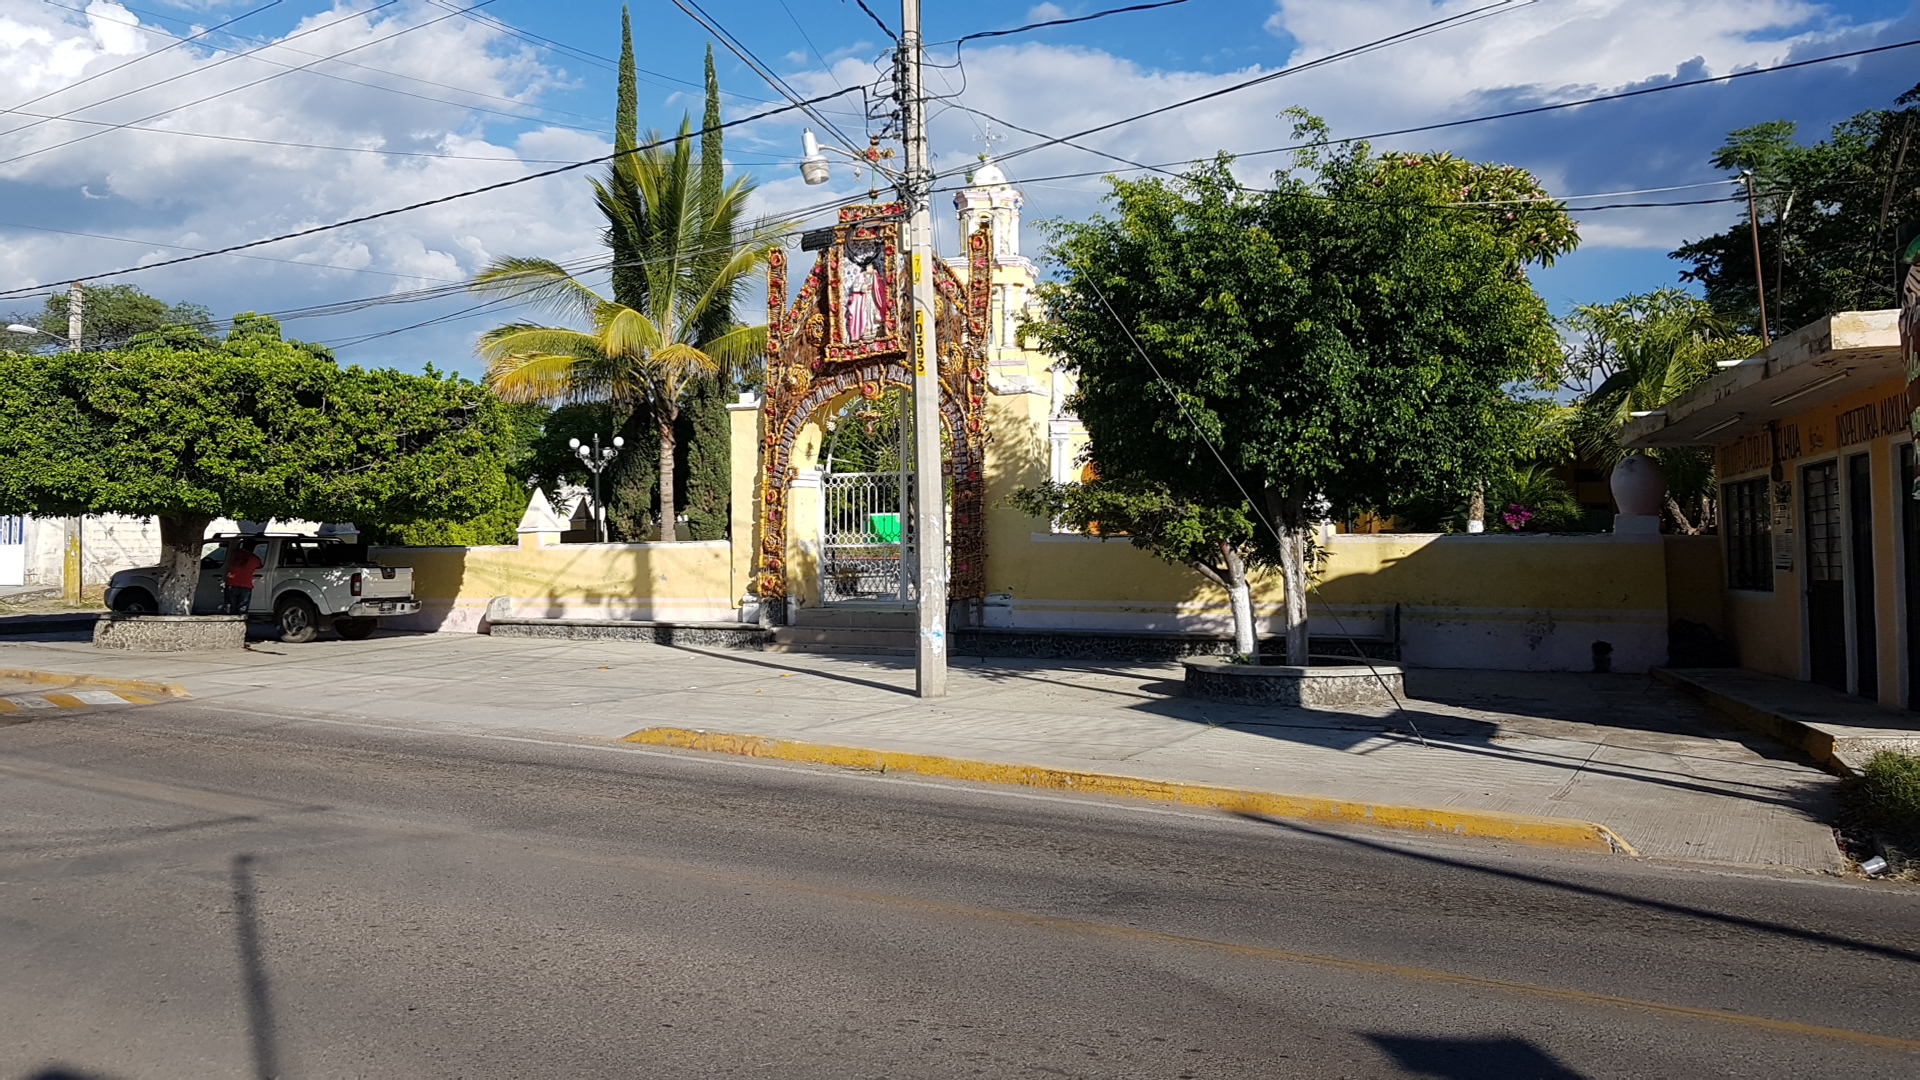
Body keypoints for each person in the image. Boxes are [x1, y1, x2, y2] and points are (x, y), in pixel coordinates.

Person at [223, 540, 264, 615]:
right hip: (245, 585)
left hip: (231, 583)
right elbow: (260, 567)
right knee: (242, 607)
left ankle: (230, 622)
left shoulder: (234, 554)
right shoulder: (255, 559)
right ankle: (241, 622)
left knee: (230, 607)